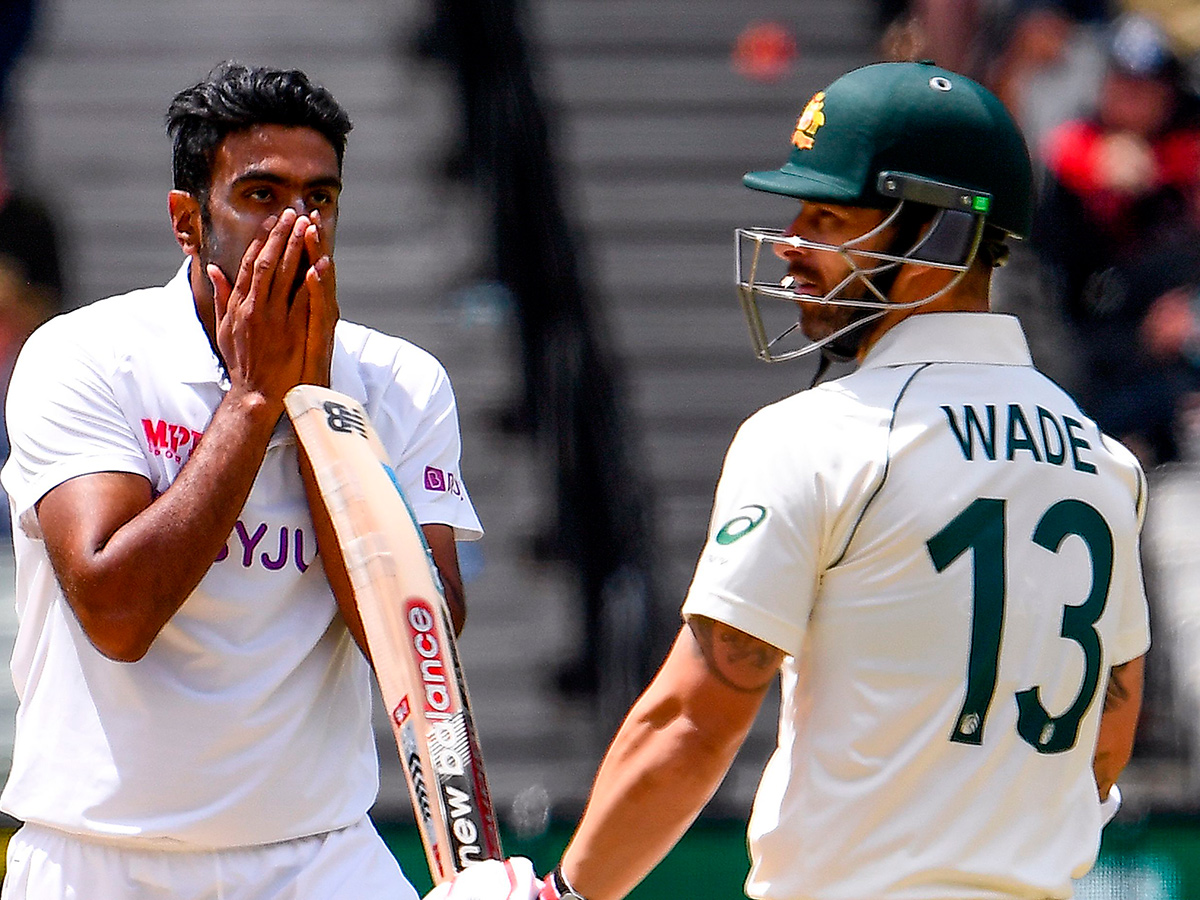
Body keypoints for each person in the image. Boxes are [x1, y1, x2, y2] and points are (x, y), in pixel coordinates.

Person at [435, 61, 1149, 900]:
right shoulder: (1106, 461)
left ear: (942, 240)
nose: (789, 244)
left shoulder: (818, 435)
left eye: (826, 217)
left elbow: (695, 719)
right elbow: (1111, 720)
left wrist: (562, 892)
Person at [0, 61, 482, 899]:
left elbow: (418, 649)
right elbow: (117, 611)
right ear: (187, 220)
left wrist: (316, 407)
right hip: (100, 860)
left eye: (319, 199)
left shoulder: (401, 382)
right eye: (261, 195)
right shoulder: (84, 358)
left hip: (321, 856)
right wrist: (255, 399)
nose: (298, 226)